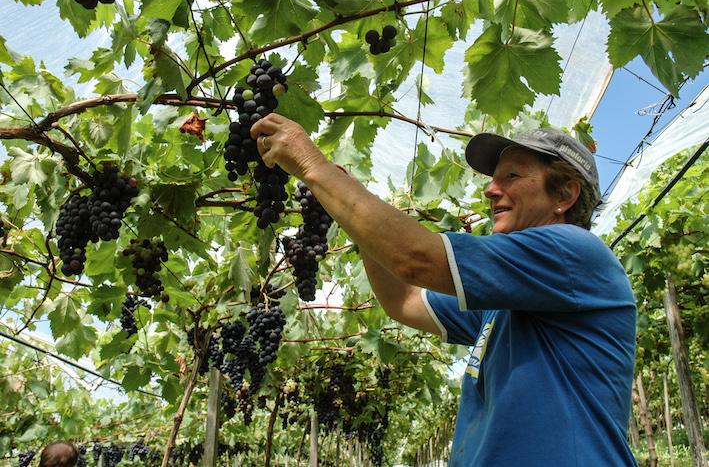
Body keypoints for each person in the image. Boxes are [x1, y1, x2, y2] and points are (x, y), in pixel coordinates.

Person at [251, 115, 638, 466]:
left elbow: (414, 260)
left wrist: (312, 165)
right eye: (493, 178)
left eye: (512, 177)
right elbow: (403, 301)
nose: (490, 189)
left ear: (564, 196)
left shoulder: (573, 253)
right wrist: (344, 202)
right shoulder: (509, 300)